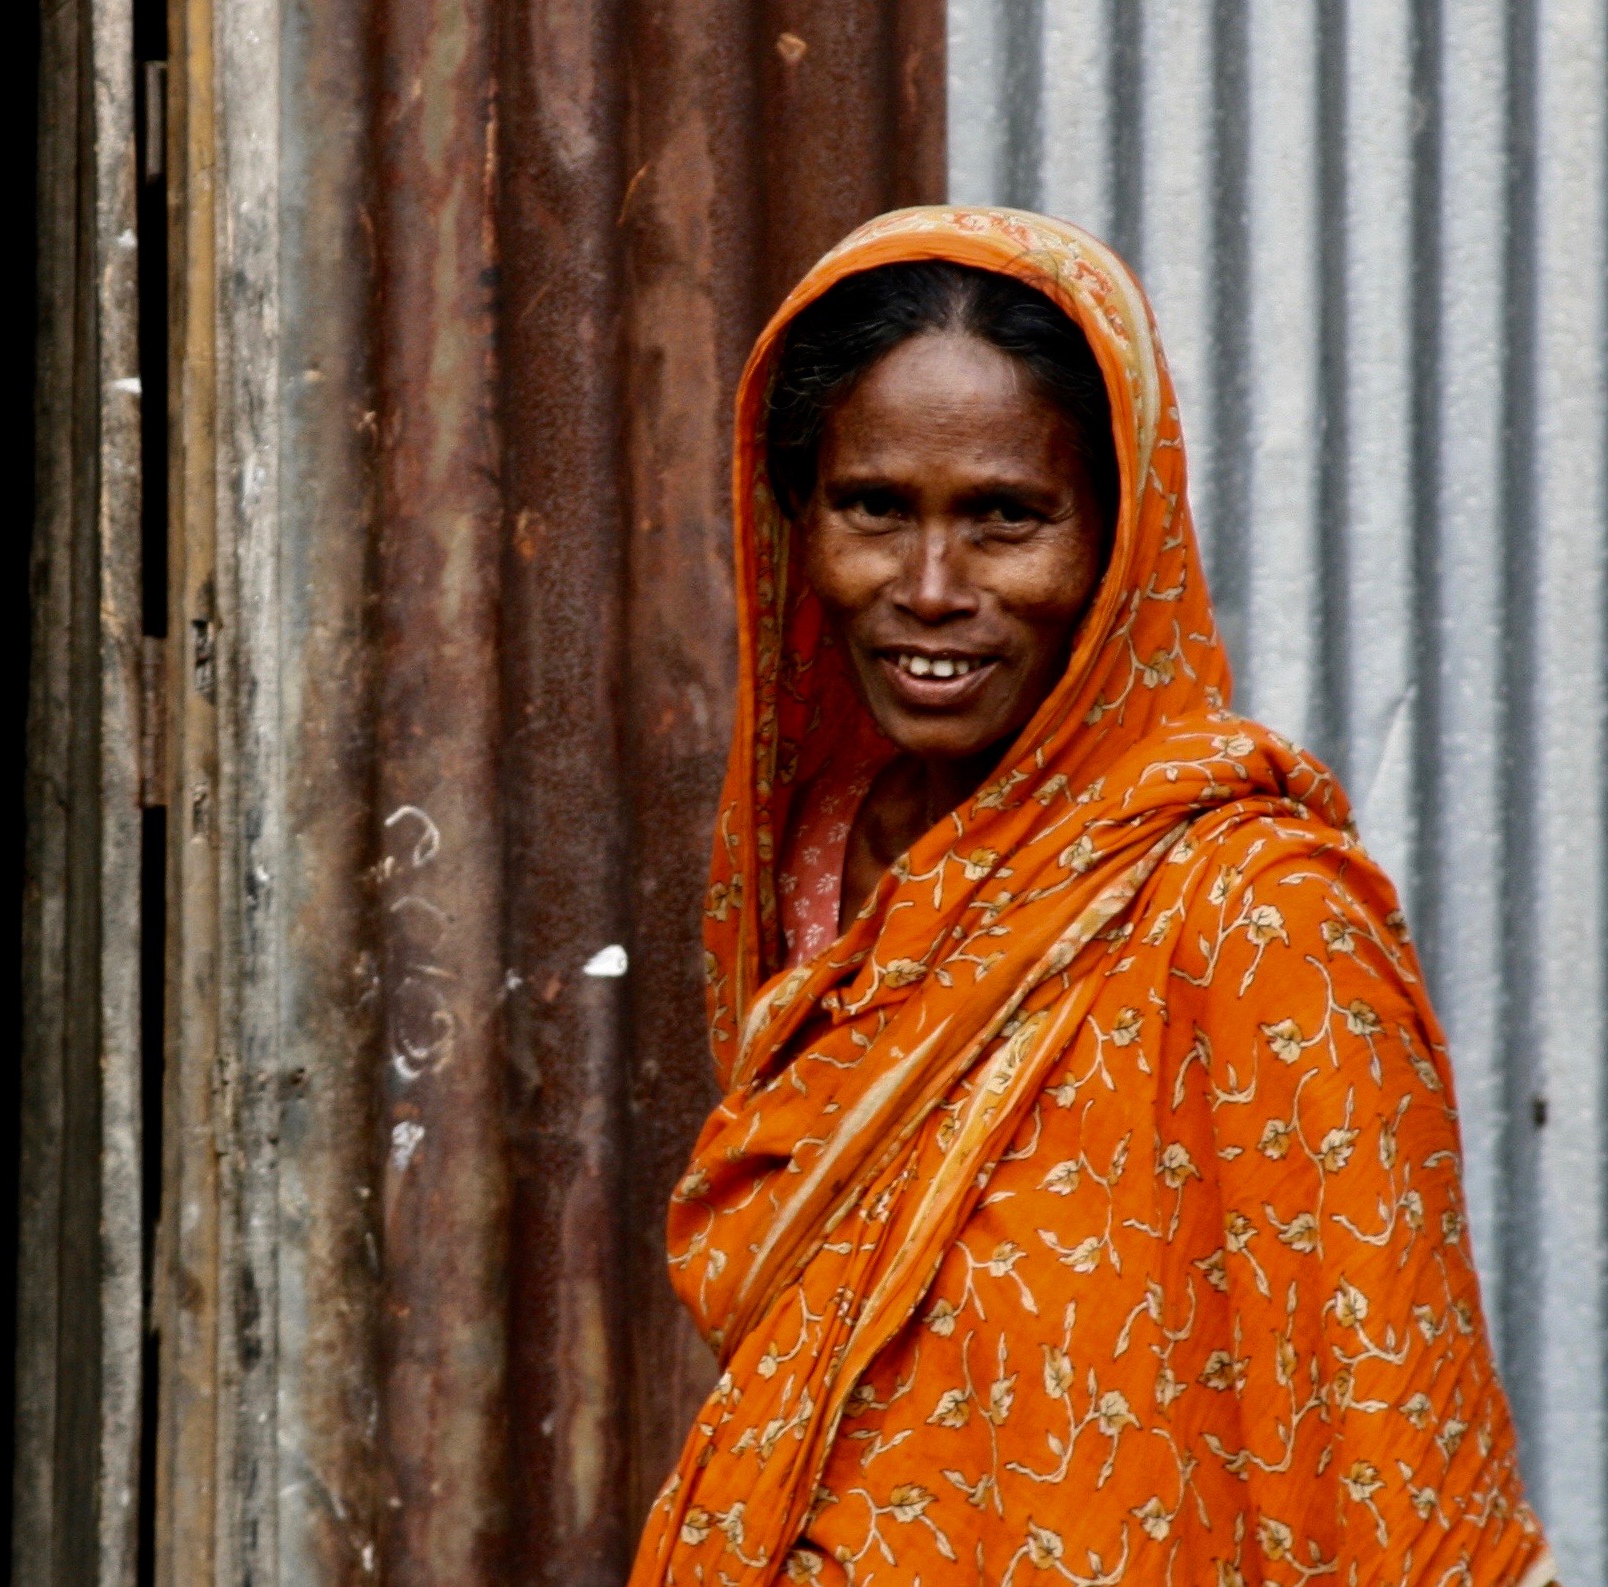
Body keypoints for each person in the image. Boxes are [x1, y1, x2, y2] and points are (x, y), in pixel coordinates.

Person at [627, 209, 1553, 1586]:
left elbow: (1400, 1443)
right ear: (798, 524)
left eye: (1005, 518)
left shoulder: (1254, 919)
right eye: (873, 508)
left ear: (1118, 547)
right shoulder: (821, 863)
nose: (929, 589)